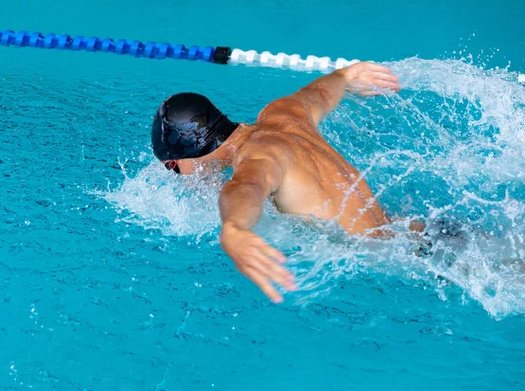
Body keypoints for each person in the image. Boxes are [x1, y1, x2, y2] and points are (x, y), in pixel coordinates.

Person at [151, 62, 401, 303]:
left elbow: (246, 186)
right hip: (413, 233)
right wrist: (345, 76)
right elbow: (319, 93)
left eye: (174, 169)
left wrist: (233, 228)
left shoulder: (256, 157)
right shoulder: (282, 113)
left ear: (187, 152)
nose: (183, 179)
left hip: (391, 262)